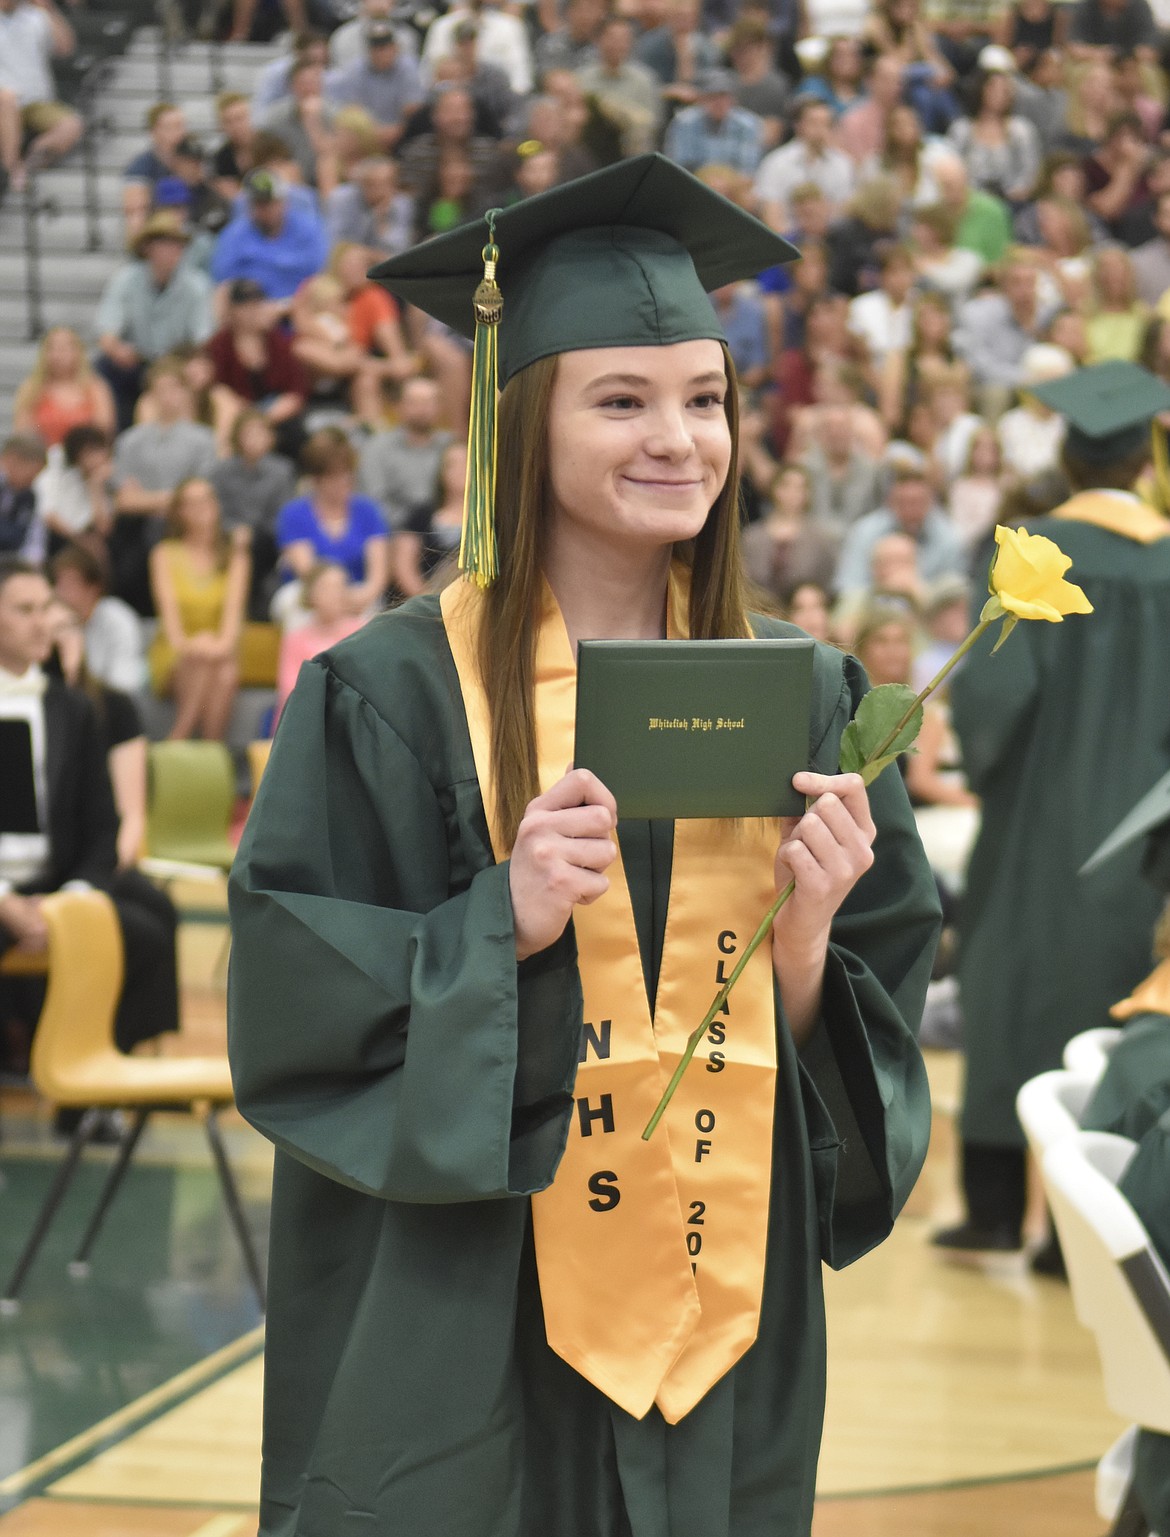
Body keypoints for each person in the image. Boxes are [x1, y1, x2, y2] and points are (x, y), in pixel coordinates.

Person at [227, 153, 939, 1537]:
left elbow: (858, 1032)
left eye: (702, 399)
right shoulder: (392, 692)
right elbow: (292, 1000)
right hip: (471, 1299)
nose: (677, 439)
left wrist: (803, 940)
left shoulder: (807, 693)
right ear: (522, 424)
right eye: (620, 400)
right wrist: (503, 924)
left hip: (715, 1294)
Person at [940, 359, 1170, 1255]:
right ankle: (1093, 1237)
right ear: (1142, 466)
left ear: (1069, 459)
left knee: (1015, 994)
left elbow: (991, 703)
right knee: (1124, 988)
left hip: (1040, 821)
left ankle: (996, 1210)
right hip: (1150, 831)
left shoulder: (1028, 552)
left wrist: (1004, 773)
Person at [0, 558, 179, 1059]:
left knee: (145, 936)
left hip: (55, 886)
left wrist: (73, 897)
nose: (42, 623)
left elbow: (103, 826)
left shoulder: (73, 708)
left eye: (46, 609)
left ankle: (90, 1086)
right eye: (24, 610)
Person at [147, 479, 251, 743]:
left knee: (224, 670)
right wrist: (198, 647)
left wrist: (213, 646)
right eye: (191, 503)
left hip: (219, 652)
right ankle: (187, 741)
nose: (201, 507)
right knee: (204, 662)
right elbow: (173, 629)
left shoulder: (235, 556)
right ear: (179, 512)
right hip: (175, 652)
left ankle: (196, 746)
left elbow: (231, 625)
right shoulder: (163, 554)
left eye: (206, 499)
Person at [95, 212, 216, 433]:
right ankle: (117, 437)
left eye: (176, 245)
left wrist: (195, 364)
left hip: (177, 363)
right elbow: (107, 332)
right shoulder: (125, 280)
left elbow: (203, 340)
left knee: (199, 374)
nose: (171, 251)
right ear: (147, 248)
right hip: (137, 363)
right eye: (164, 243)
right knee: (104, 366)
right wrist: (117, 349)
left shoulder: (196, 286)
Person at [275, 427, 390, 618]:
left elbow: (378, 574)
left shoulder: (368, 510)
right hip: (311, 593)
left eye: (347, 474)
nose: (343, 481)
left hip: (358, 593)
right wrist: (334, 598)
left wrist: (362, 595)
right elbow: (308, 571)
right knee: (293, 604)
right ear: (316, 480)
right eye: (333, 476)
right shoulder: (293, 514)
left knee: (373, 612)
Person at [0, 0, 81, 200]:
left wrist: (49, 8)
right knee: (7, 101)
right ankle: (12, 169)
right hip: (3, 98)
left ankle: (28, 165)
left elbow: (66, 47)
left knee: (71, 125)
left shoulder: (35, 16)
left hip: (36, 99)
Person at [357, 374, 453, 530]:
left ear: (440, 408)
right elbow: (373, 502)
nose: (422, 409)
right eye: (414, 402)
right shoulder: (377, 448)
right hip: (395, 533)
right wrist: (416, 524)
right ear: (399, 406)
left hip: (447, 532)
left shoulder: (451, 446)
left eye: (429, 402)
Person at [274, 560, 364, 722]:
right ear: (311, 594)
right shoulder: (295, 638)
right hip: (304, 718)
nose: (335, 594)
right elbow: (289, 689)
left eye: (340, 586)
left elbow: (363, 684)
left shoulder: (361, 633)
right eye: (327, 588)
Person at [50, 541, 144, 694]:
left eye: (69, 584)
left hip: (112, 704)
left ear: (93, 588)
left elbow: (124, 683)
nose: (59, 592)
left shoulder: (117, 618)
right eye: (57, 583)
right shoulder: (53, 621)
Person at [13, 328, 116, 450]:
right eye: (52, 348)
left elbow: (104, 431)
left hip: (83, 458)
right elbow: (22, 433)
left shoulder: (96, 387)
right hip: (43, 459)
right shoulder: (31, 388)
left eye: (64, 349)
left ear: (78, 352)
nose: (58, 355)